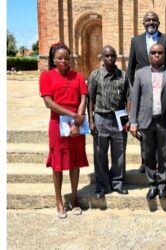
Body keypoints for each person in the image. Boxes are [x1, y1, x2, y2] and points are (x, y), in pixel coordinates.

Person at [39, 42, 88, 218]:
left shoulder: (78, 76)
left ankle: (74, 199)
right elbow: (48, 102)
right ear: (53, 59)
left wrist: (78, 118)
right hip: (57, 123)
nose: (63, 61)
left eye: (66, 58)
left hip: (77, 123)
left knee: (74, 163)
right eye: (60, 58)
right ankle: (59, 200)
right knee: (58, 164)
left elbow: (83, 98)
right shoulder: (46, 76)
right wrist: (73, 115)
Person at [127, 11, 166, 173]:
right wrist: (132, 94)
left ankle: (162, 162)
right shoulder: (136, 41)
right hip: (143, 90)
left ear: (159, 22)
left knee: (162, 130)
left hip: (163, 88)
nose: (151, 22)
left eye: (154, 20)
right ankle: (145, 161)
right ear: (143, 23)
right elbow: (130, 68)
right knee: (145, 130)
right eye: (148, 20)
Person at [129, 44, 166, 200]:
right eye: (153, 52)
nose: (156, 55)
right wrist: (133, 122)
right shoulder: (140, 73)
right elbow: (135, 99)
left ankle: (162, 184)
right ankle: (152, 184)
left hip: (164, 121)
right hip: (146, 121)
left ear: (164, 55)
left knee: (163, 154)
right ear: (149, 55)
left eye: (160, 52)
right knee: (147, 154)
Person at [88, 45, 130, 198]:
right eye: (107, 56)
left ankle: (117, 183)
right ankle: (102, 186)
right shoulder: (95, 75)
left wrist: (129, 118)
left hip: (119, 117)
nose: (110, 59)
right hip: (101, 118)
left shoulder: (123, 76)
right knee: (100, 154)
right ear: (102, 58)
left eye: (112, 56)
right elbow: (90, 99)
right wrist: (91, 120)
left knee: (119, 153)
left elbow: (129, 98)